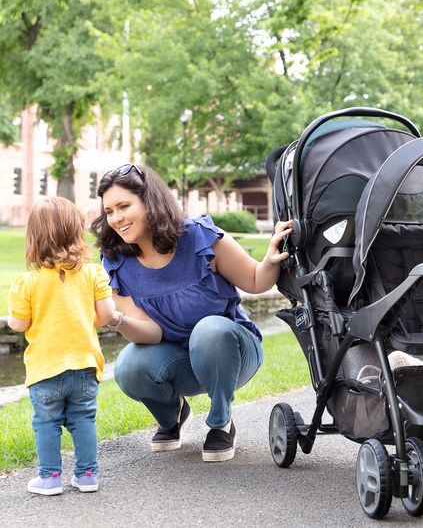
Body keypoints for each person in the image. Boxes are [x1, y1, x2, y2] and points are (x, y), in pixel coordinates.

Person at [90, 164, 292, 462]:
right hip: (179, 360)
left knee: (209, 330)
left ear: (150, 202)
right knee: (129, 365)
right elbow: (153, 333)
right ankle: (172, 416)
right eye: (109, 211)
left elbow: (255, 281)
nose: (116, 218)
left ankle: (221, 422)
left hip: (231, 351)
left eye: (124, 206)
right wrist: (116, 319)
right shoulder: (116, 261)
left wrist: (271, 258)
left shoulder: (199, 237)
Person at [7, 197, 119, 496]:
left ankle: (50, 478)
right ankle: (86, 476)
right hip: (84, 365)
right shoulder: (93, 273)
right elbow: (107, 315)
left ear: (34, 238)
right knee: (84, 419)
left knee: (47, 423)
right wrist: (82, 321)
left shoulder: (27, 283)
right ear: (77, 233)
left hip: (45, 369)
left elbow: (18, 324)